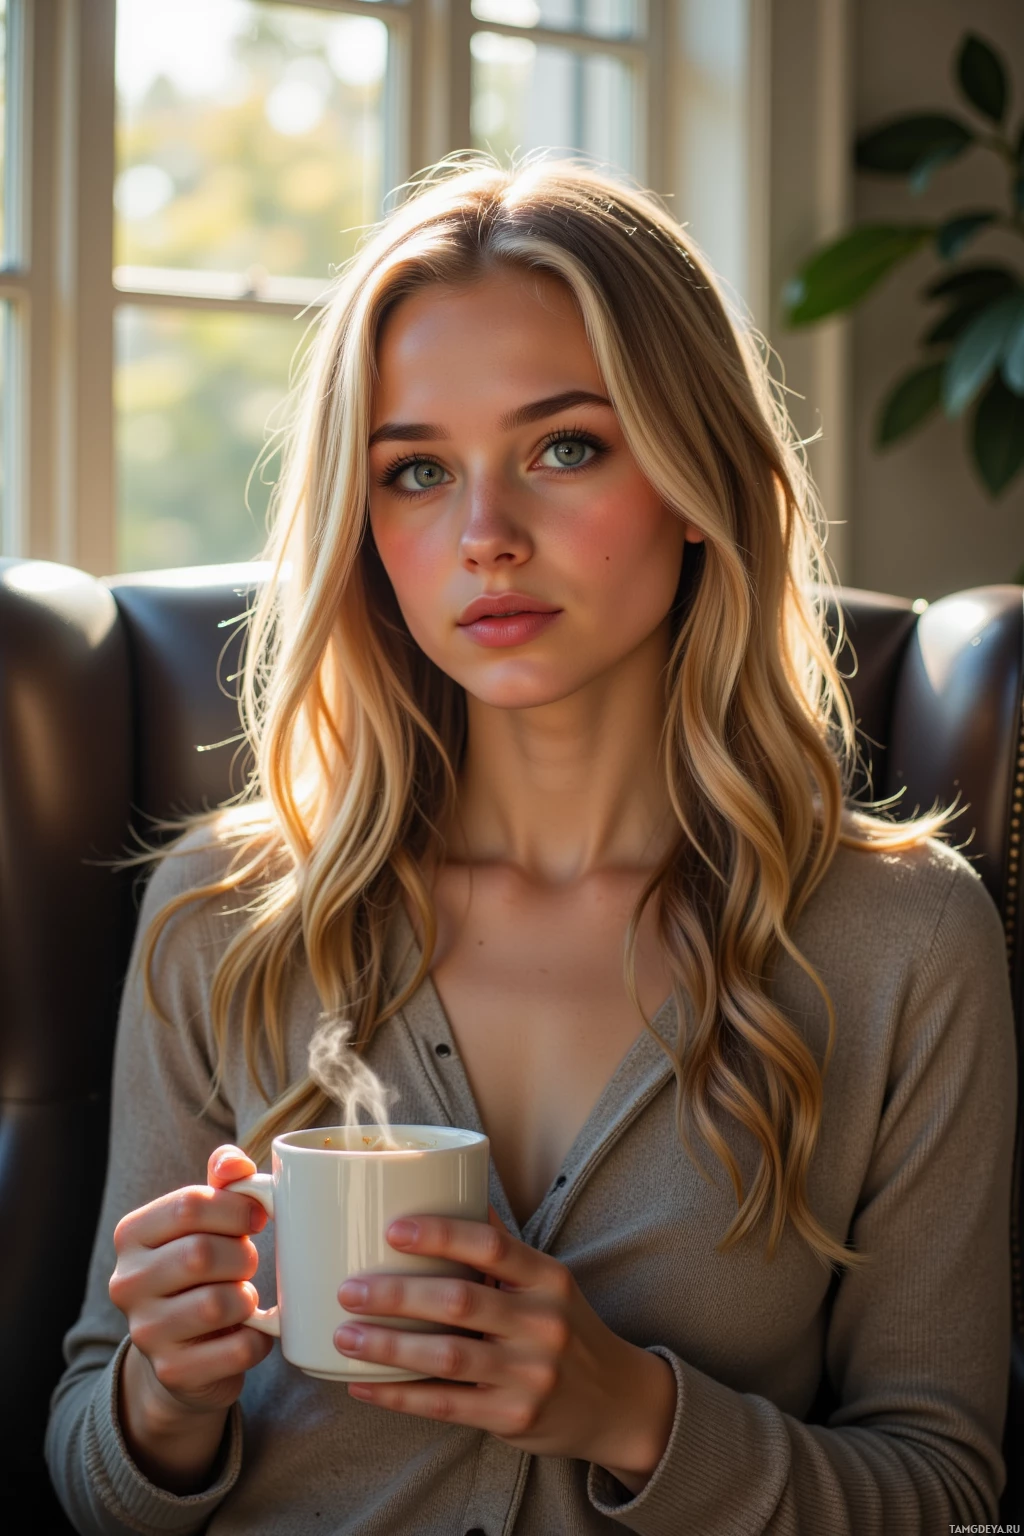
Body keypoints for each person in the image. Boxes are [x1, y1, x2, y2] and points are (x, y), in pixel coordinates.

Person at [46, 157, 1016, 1535]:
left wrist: (631, 1414)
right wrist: (161, 1398)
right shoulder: (222, 914)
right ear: (363, 526)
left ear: (697, 476)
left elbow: (946, 1491)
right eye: (418, 471)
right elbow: (90, 1473)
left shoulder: (905, 940)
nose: (484, 537)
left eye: (567, 446)